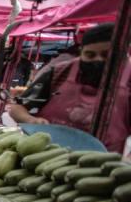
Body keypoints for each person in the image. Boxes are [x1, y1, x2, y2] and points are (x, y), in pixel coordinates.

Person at [8, 23, 130, 152]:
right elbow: (17, 107)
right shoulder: (59, 72)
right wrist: (31, 120)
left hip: (100, 164)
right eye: (90, 55)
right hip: (44, 154)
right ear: (81, 53)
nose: (98, 60)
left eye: (106, 55)